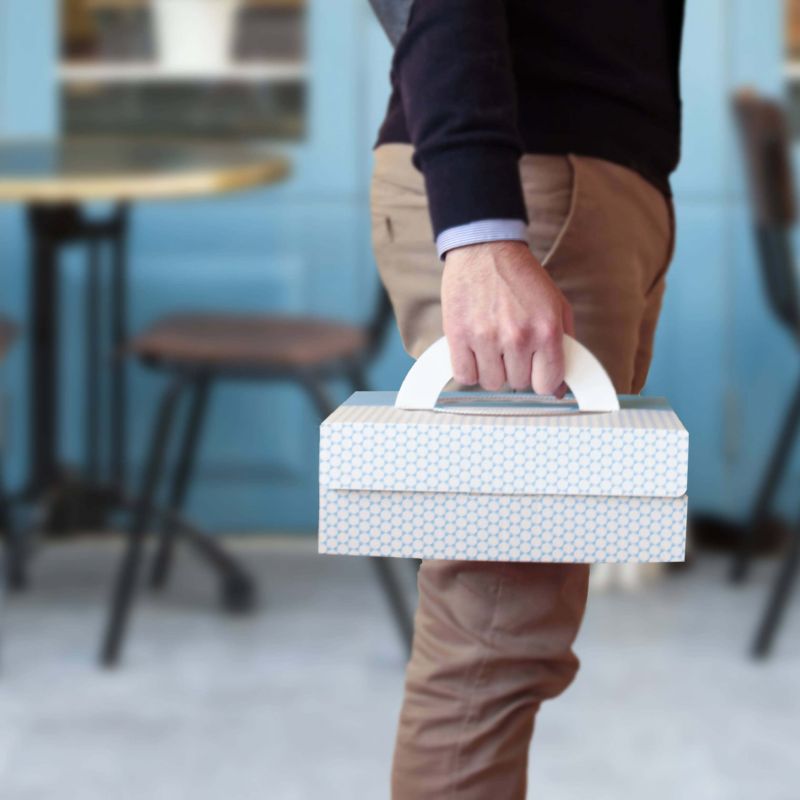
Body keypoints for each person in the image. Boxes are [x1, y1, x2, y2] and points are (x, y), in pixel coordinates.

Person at [368, 1, 685, 797]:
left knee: (503, 646)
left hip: (586, 180)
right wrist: (481, 227)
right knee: (489, 652)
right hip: (528, 183)